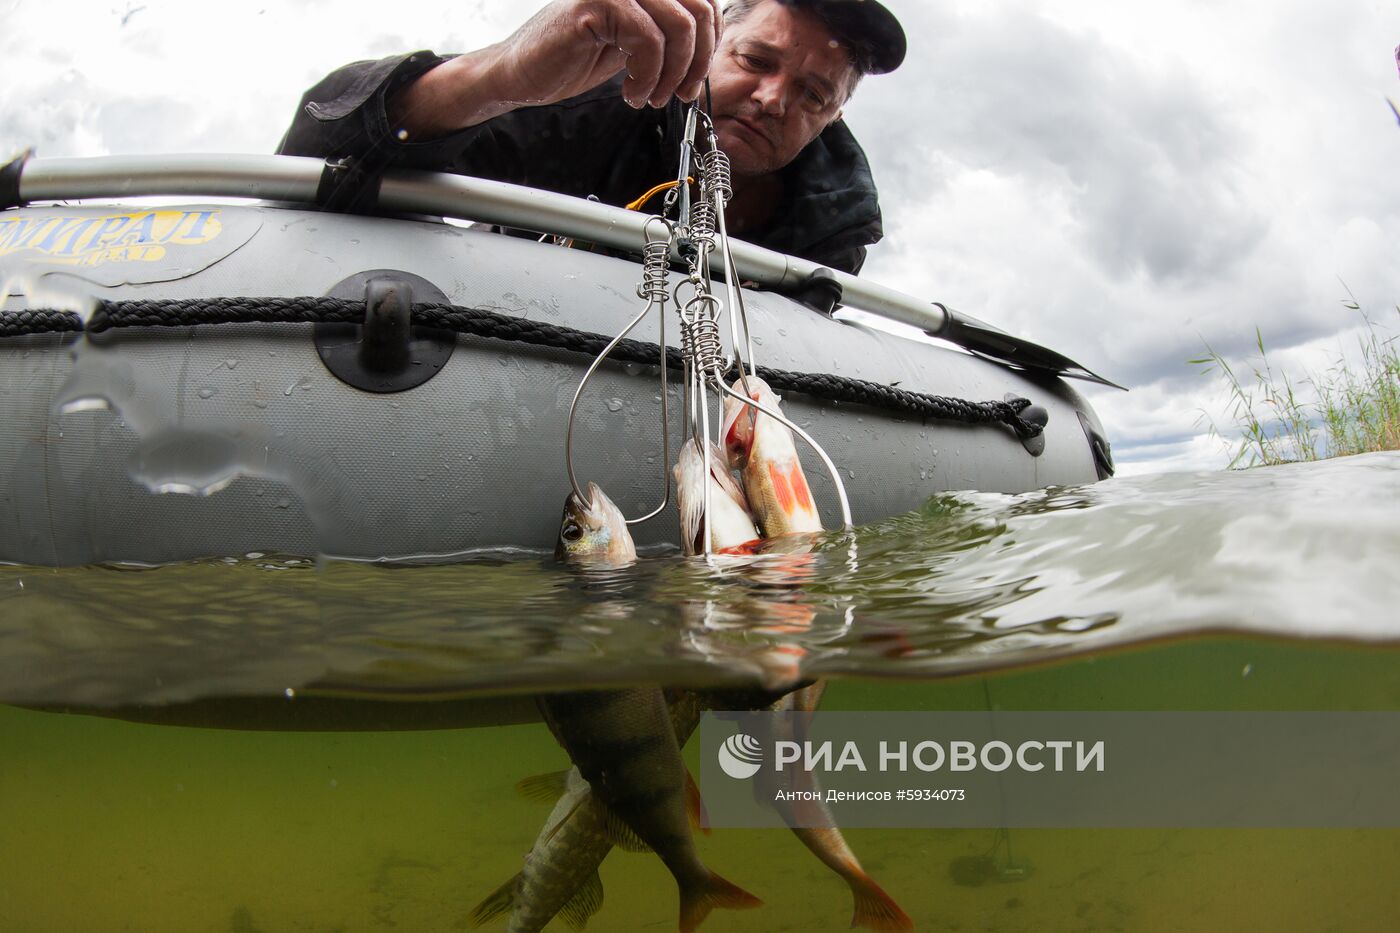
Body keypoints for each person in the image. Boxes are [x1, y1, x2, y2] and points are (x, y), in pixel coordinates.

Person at [277, 0, 905, 274]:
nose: (773, 99)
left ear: (835, 116)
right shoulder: (597, 104)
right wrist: (501, 77)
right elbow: (318, 159)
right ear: (712, 42)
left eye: (813, 95)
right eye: (756, 60)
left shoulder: (835, 230)